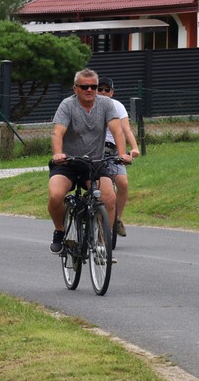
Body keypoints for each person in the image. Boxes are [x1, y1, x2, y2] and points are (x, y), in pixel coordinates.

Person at [47, 69, 127, 253]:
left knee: (109, 198)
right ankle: (59, 230)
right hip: (68, 163)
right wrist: (58, 154)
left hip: (95, 163)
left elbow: (117, 131)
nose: (89, 90)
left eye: (94, 86)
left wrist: (122, 154)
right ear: (75, 88)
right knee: (55, 196)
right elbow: (57, 132)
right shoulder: (67, 105)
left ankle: (101, 242)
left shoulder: (106, 104)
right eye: (84, 87)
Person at [97, 77, 140, 237]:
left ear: (112, 92)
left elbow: (125, 130)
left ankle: (117, 219)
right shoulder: (90, 106)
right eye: (99, 89)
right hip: (94, 149)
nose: (102, 92)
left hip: (113, 150)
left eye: (106, 90)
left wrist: (134, 148)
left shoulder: (117, 107)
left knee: (123, 183)